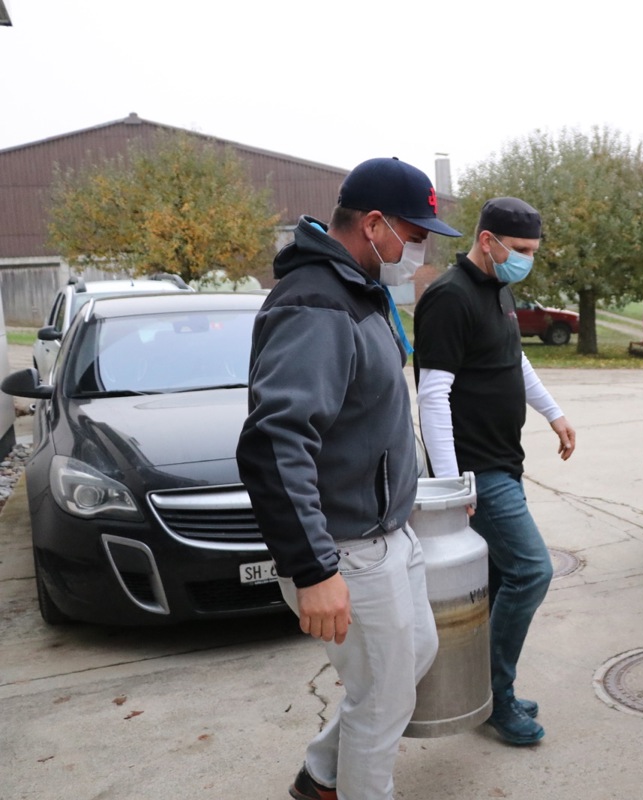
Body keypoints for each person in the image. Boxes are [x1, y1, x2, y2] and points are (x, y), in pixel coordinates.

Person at [236, 157, 462, 800]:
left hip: (387, 533)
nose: (419, 252)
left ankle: (321, 776)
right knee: (382, 702)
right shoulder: (316, 302)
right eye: (413, 236)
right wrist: (313, 570)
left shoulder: (358, 290)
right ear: (373, 225)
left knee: (413, 658)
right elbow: (274, 443)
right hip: (346, 547)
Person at [413, 196, 577, 746]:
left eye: (533, 250)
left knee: (503, 578)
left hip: (504, 461)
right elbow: (433, 395)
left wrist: (554, 413)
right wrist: (452, 482)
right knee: (531, 570)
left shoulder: (497, 290)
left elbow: (514, 358)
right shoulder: (449, 298)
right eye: (521, 249)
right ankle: (496, 696)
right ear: (487, 241)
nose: (527, 259)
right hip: (476, 470)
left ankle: (481, 692)